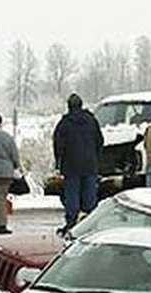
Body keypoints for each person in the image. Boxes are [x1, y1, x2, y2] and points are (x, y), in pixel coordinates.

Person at [53, 94, 104, 232]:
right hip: (90, 164)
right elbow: (100, 141)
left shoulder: (65, 123)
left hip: (71, 165)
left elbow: (58, 144)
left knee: (72, 194)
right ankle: (90, 222)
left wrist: (58, 161)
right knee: (90, 194)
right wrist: (95, 157)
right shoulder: (91, 120)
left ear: (69, 106)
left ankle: (71, 222)